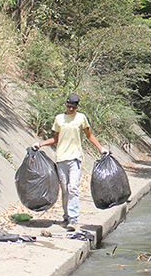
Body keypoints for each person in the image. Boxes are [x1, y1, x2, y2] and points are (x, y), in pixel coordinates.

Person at [33, 93, 109, 232]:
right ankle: (66, 216)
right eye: (69, 106)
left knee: (73, 187)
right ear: (66, 104)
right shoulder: (59, 119)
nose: (71, 109)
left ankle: (73, 218)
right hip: (61, 158)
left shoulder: (81, 118)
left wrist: (101, 148)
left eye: (73, 107)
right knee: (65, 190)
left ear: (77, 106)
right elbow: (55, 138)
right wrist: (40, 144)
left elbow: (89, 135)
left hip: (75, 158)